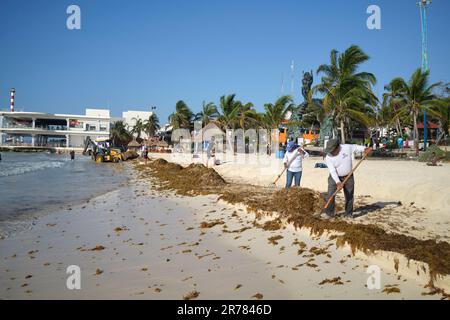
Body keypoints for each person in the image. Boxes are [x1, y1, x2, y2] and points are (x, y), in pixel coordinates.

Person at [324, 139, 372, 219]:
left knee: (349, 195)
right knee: (330, 194)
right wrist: (338, 182)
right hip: (334, 177)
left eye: (332, 150)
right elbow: (332, 171)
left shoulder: (346, 148)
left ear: (338, 147)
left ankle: (348, 214)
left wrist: (365, 149)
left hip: (348, 176)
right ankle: (329, 213)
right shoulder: (328, 157)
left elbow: (356, 147)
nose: (331, 153)